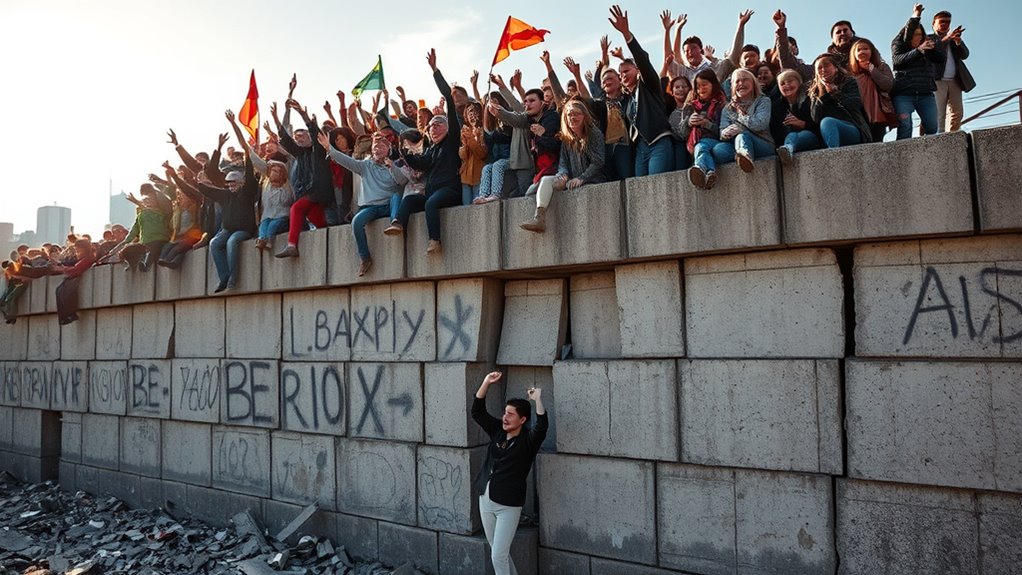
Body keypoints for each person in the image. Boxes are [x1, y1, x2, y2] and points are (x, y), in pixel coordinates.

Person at [386, 49, 463, 256]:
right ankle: (398, 224)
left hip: (450, 190)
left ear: (447, 126)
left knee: (430, 202)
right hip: (431, 191)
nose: (432, 128)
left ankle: (435, 240)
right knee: (410, 200)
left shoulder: (452, 140)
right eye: (429, 127)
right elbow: (419, 162)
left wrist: (435, 70)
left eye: (437, 124)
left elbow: (448, 96)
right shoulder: (432, 149)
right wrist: (398, 155)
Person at [471, 371, 547, 575]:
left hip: (508, 506)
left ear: (522, 419)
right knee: (500, 554)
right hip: (485, 499)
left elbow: (542, 426)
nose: (505, 417)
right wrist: (486, 382)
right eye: (505, 412)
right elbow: (477, 412)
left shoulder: (527, 442)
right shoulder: (497, 430)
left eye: (510, 414)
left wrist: (538, 399)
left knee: (498, 556)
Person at [319, 131, 403, 277]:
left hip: (389, 204)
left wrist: (392, 167)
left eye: (382, 146)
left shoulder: (395, 165)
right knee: (356, 222)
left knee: (396, 197)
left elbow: (402, 181)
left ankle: (395, 223)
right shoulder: (365, 166)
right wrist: (329, 149)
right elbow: (347, 161)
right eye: (375, 146)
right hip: (371, 207)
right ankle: (365, 258)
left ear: (388, 150)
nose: (378, 149)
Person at [520, 100, 605, 233]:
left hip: (592, 179)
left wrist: (582, 178)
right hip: (572, 179)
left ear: (585, 116)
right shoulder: (567, 137)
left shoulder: (594, 134)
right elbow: (563, 162)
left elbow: (598, 161)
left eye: (577, 114)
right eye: (569, 114)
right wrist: (563, 174)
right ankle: (539, 218)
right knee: (545, 181)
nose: (573, 117)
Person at [609, 5, 674, 177]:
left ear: (637, 71)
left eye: (626, 71)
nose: (623, 75)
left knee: (655, 186)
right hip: (641, 149)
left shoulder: (649, 86)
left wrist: (627, 34)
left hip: (659, 142)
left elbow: (642, 60)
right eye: (620, 73)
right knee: (641, 192)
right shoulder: (627, 99)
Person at [273, 97, 336, 258]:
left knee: (296, 208)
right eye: (297, 137)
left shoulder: (318, 150)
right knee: (315, 218)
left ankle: (292, 245)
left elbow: (315, 132)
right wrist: (275, 118)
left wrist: (302, 113)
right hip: (308, 193)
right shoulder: (299, 154)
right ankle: (329, 237)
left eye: (302, 136)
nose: (298, 139)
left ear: (309, 138)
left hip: (320, 192)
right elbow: (286, 141)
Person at [891, 4, 945, 140]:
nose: (917, 38)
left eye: (920, 35)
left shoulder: (926, 44)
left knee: (932, 127)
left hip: (926, 93)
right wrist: (916, 15)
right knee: (905, 126)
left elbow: (940, 59)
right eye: (915, 35)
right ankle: (902, 156)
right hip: (903, 94)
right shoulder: (898, 43)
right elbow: (897, 61)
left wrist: (931, 48)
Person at [715, 68, 775, 173]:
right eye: (737, 81)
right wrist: (727, 132)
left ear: (753, 83)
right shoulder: (728, 108)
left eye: (745, 80)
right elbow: (721, 133)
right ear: (732, 86)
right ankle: (742, 157)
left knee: (742, 136)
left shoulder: (763, 101)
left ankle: (745, 155)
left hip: (763, 144)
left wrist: (741, 120)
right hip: (735, 145)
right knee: (718, 149)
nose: (741, 83)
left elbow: (760, 124)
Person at [808, 53, 873, 148]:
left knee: (828, 122)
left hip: (852, 129)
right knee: (826, 122)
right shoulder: (815, 92)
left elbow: (854, 104)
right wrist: (823, 94)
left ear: (836, 68)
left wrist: (836, 93)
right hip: (829, 134)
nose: (823, 70)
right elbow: (816, 118)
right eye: (819, 68)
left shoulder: (848, 82)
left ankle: (833, 155)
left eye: (826, 65)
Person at [680, 69, 726, 190]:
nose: (701, 89)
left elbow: (724, 131)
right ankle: (710, 172)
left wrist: (707, 124)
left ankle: (700, 167)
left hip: (717, 142)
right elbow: (682, 133)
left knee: (701, 146)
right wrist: (689, 123)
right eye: (698, 86)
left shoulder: (722, 104)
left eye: (704, 84)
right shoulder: (690, 107)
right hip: (694, 144)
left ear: (713, 84)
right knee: (701, 147)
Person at [929, 10, 973, 132]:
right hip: (937, 81)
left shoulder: (953, 39)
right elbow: (933, 48)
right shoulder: (929, 38)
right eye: (942, 21)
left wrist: (958, 42)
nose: (945, 24)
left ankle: (952, 139)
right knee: (938, 114)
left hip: (955, 81)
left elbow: (965, 55)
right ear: (934, 24)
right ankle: (937, 140)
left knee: (957, 112)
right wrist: (948, 38)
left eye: (948, 22)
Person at [849, 38, 897, 143]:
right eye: (859, 50)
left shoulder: (882, 67)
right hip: (859, 114)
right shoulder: (850, 74)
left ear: (872, 51)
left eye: (865, 49)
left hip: (878, 112)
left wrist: (872, 70)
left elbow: (888, 85)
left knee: (877, 140)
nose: (862, 52)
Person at [772, 69, 819, 164]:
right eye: (782, 84)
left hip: (811, 138)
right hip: (786, 140)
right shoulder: (777, 106)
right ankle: (786, 150)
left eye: (790, 81)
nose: (787, 85)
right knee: (791, 135)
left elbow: (819, 124)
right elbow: (775, 131)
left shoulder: (810, 99)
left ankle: (787, 149)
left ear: (799, 82)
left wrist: (802, 124)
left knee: (794, 135)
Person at [53, 238, 97, 325]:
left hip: (75, 278)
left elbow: (76, 270)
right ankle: (64, 316)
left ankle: (70, 313)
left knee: (67, 290)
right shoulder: (81, 259)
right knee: (59, 290)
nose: (77, 253)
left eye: (78, 250)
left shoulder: (88, 259)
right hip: (72, 277)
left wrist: (62, 269)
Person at [459, 101, 487, 205]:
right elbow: (462, 155)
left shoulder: (483, 131)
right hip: (465, 177)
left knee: (477, 207)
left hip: (479, 175)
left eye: (473, 111)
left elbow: (482, 153)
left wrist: (471, 139)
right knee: (466, 208)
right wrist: (466, 143)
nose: (471, 115)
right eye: (468, 113)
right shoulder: (464, 131)